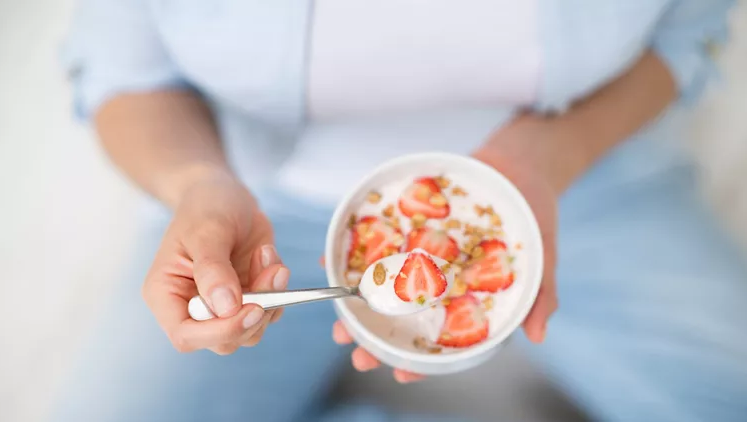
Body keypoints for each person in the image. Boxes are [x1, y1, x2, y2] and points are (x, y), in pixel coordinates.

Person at [52, 0, 747, 421]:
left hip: (576, 174)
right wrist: (197, 184)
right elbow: (123, 71)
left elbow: (688, 29)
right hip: (259, 208)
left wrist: (551, 155)